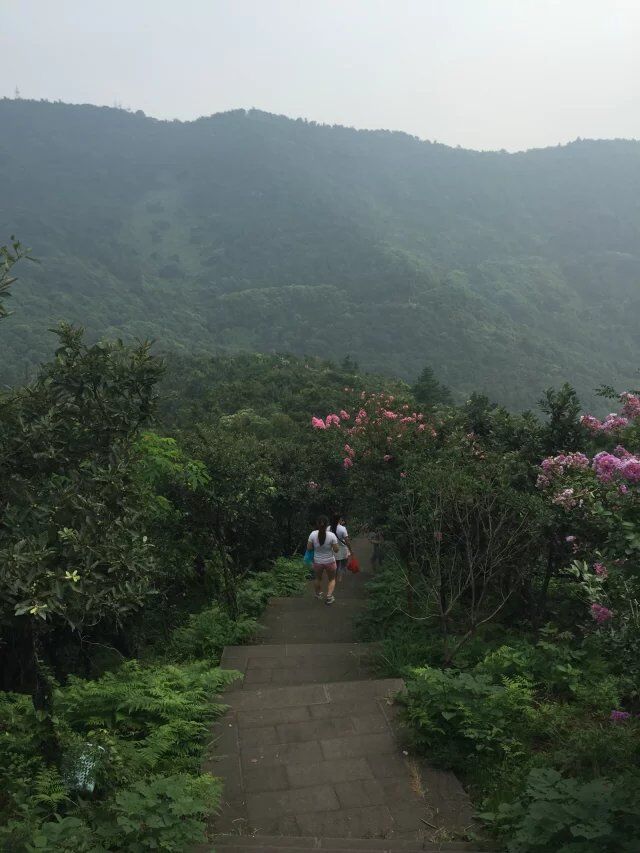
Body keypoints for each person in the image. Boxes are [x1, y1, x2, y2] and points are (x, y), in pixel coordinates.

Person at [307, 515, 339, 605]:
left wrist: (316, 547)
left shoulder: (313, 534)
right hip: (330, 561)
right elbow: (336, 550)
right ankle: (329, 596)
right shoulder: (332, 535)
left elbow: (309, 548)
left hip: (317, 561)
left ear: (317, 524)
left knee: (317, 578)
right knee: (332, 579)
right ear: (327, 524)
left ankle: (318, 594)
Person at [330, 513, 352, 583]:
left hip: (333, 549)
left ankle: (334, 578)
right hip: (343, 549)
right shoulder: (343, 528)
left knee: (336, 565)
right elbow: (347, 541)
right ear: (339, 519)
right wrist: (351, 550)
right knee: (343, 565)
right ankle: (340, 577)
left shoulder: (328, 528)